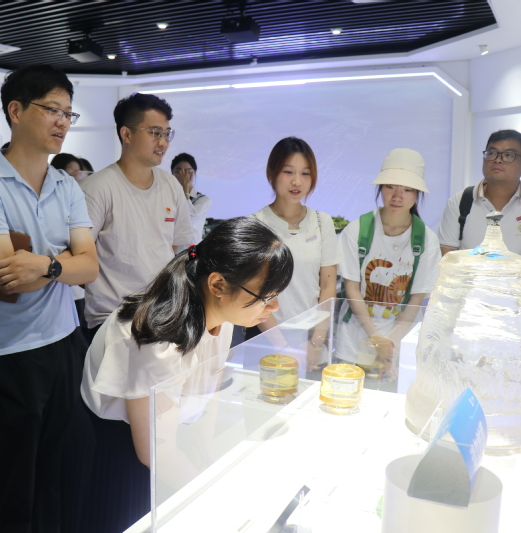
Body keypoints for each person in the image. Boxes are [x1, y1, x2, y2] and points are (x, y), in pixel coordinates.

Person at [80, 217, 293, 533]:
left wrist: (204, 462)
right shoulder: (159, 340)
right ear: (217, 285)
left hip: (168, 438)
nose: (274, 307)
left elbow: (208, 396)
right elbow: (156, 453)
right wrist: (218, 500)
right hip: (121, 448)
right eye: (265, 296)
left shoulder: (222, 316)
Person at [0, 64, 98, 532]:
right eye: (52, 109)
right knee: (11, 481)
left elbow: (91, 267)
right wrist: (63, 263)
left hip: (63, 341)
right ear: (15, 111)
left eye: (68, 113)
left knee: (58, 472)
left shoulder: (66, 185)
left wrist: (44, 265)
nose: (62, 121)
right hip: (7, 352)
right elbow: (7, 276)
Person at [80, 92, 194, 337]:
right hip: (112, 319)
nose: (163, 142)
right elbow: (81, 256)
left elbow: (174, 247)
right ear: (127, 134)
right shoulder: (97, 188)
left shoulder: (171, 186)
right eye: (154, 133)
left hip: (162, 314)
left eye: (167, 133)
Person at [336, 148, 440, 380]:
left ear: (417, 194)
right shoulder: (356, 230)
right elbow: (352, 289)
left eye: (407, 189)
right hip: (354, 338)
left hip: (400, 341)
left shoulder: (427, 240)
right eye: (390, 186)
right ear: (380, 188)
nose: (397, 196)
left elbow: (416, 299)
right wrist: (376, 339)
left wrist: (390, 344)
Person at [250, 137, 338, 366]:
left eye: (305, 173)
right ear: (272, 173)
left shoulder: (322, 222)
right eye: (288, 172)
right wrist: (282, 347)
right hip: (265, 337)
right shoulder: (255, 225)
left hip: (311, 338)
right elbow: (254, 293)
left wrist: (316, 342)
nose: (297, 181)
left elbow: (328, 285)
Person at [438, 129, 521, 280]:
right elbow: (447, 259)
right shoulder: (460, 200)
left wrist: (501, 286)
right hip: (467, 291)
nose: (498, 160)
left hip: (517, 293)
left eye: (508, 155)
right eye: (492, 153)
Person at [171, 152, 212, 243]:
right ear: (172, 173)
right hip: (169, 247)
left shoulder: (203, 200)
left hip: (190, 248)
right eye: (179, 172)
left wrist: (185, 189)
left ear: (194, 173)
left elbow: (189, 216)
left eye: (189, 172)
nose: (184, 176)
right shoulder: (166, 196)